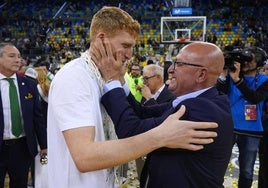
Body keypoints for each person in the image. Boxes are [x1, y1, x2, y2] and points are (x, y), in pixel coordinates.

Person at [47, 6, 218, 188]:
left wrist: (118, 80)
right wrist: (160, 137)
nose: (130, 54)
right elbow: (85, 157)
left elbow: (136, 114)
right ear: (102, 40)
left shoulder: (103, 76)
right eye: (125, 46)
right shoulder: (75, 77)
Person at [92, 40, 234, 187]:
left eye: (178, 64)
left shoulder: (200, 110)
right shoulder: (199, 101)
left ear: (201, 74)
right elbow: (142, 113)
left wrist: (111, 79)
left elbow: (131, 131)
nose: (170, 70)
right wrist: (121, 79)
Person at [217, 46, 268, 188]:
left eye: (250, 59)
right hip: (229, 127)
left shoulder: (265, 80)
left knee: (246, 171)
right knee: (219, 165)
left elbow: (256, 98)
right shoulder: (232, 75)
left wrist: (237, 80)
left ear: (259, 63)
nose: (246, 62)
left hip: (252, 130)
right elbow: (220, 94)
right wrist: (223, 74)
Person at [0, 42, 47, 188]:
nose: (18, 60)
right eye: (12, 56)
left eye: (19, 57)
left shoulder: (29, 85)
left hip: (22, 148)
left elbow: (37, 118)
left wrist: (44, 145)